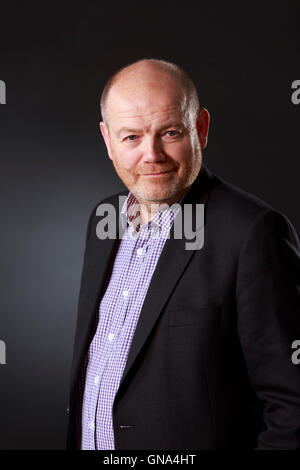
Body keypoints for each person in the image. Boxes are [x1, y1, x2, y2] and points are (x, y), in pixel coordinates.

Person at [67, 58, 300, 450]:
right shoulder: (103, 222)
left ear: (201, 129)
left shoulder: (252, 234)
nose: (152, 154)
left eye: (170, 132)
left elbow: (292, 407)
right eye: (131, 138)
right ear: (108, 141)